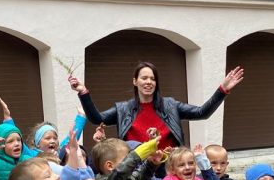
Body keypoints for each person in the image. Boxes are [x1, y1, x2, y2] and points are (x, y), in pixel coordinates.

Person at [68, 61, 244, 149]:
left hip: (169, 169)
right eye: (144, 78)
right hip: (137, 170)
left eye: (152, 79)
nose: (148, 82)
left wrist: (222, 90)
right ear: (135, 81)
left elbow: (201, 113)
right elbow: (96, 119)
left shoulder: (170, 106)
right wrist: (83, 92)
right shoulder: (123, 109)